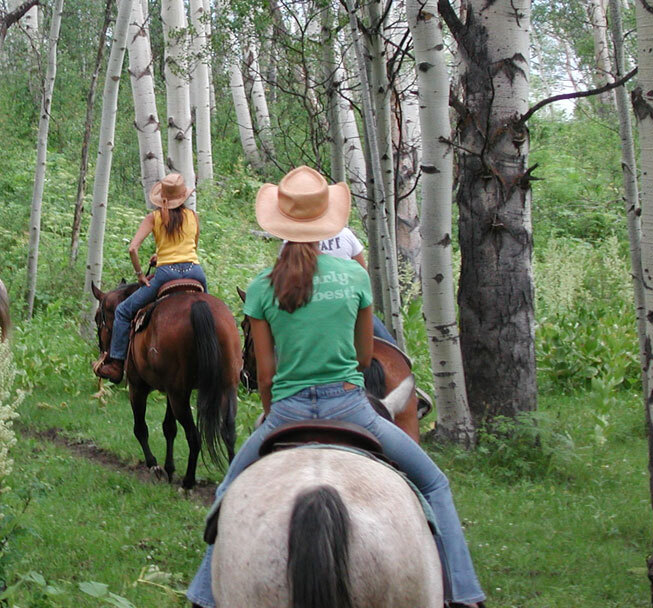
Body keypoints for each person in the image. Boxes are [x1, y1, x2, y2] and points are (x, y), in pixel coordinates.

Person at [186, 166, 485, 608]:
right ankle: (464, 592)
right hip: (350, 407)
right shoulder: (354, 277)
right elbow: (365, 359)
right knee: (435, 484)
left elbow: (265, 375)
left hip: (285, 412)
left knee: (228, 492)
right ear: (326, 219)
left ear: (279, 224)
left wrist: (273, 412)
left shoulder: (261, 288)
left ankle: (203, 595)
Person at [94, 173, 208, 384]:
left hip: (166, 275)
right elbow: (191, 246)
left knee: (122, 311)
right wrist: (164, 254)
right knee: (208, 311)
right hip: (195, 272)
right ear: (182, 197)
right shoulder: (194, 216)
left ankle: (117, 364)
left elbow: (132, 248)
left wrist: (140, 274)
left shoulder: (153, 218)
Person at [283, 225, 397, 344]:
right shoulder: (345, 234)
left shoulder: (290, 240)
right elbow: (362, 273)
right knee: (389, 348)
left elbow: (284, 275)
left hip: (306, 305)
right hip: (347, 304)